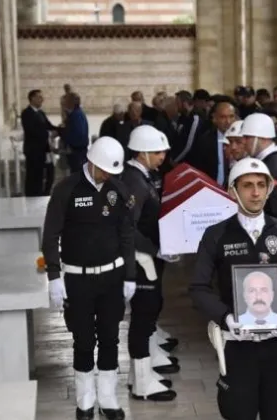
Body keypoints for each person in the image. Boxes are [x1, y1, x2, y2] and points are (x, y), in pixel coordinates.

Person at [189, 157, 277, 420]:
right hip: (238, 346)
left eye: (261, 185)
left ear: (269, 189)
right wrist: (225, 318)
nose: (255, 192)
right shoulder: (216, 235)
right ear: (233, 191)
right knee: (237, 411)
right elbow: (199, 287)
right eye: (247, 185)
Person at [41, 136, 135, 420]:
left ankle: (108, 399)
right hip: (77, 280)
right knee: (83, 340)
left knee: (109, 338)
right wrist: (54, 276)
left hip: (111, 278)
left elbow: (127, 235)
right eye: (105, 169)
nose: (108, 175)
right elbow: (50, 235)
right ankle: (84, 402)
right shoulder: (65, 189)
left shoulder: (118, 189)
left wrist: (129, 275)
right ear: (91, 162)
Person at [120, 125, 178, 402]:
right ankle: (141, 384)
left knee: (149, 310)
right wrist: (157, 250)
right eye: (157, 152)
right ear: (142, 153)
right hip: (141, 259)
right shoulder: (134, 181)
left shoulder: (143, 177)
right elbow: (129, 227)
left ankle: (139, 375)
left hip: (148, 257)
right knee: (143, 316)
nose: (162, 156)